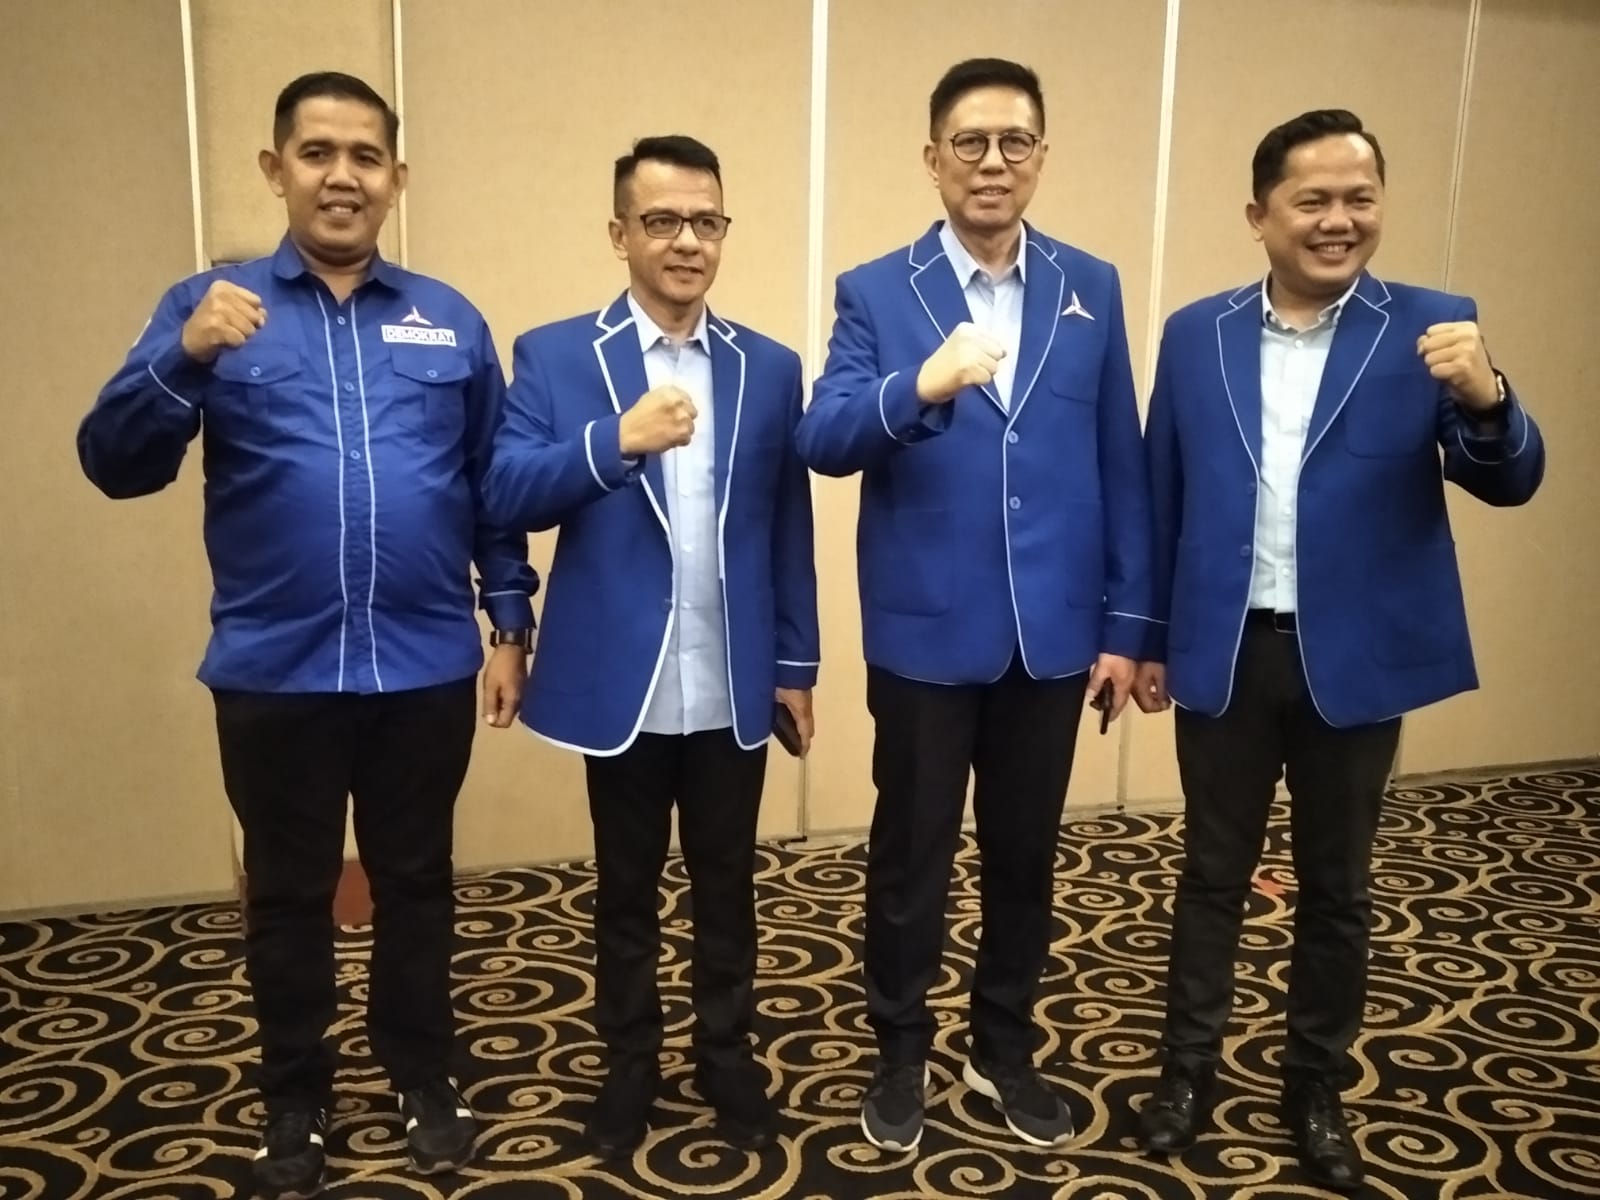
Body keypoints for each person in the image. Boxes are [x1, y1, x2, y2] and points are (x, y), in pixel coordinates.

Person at [77, 71, 538, 1200]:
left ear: (396, 178)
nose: (343, 176)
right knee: (288, 893)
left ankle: (422, 1074)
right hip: (274, 669)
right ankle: (296, 1093)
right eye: (318, 152)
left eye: (365, 156)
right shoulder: (211, 305)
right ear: (275, 168)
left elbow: (491, 488)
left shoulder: (449, 318)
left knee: (417, 881)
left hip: (422, 663)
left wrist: (508, 618)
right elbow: (113, 464)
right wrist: (182, 356)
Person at [1133, 109, 1545, 1192]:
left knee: (1337, 886)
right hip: (1227, 651)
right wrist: (1145, 638)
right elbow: (1160, 493)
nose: (1338, 219)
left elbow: (1509, 478)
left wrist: (1488, 396)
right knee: (1211, 874)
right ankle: (1186, 1073)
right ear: (1259, 214)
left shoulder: (1434, 327)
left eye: (1359, 198)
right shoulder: (1196, 333)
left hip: (1354, 659)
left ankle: (1313, 1086)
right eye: (1311, 200)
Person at [795, 58, 1154, 1153]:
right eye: (969, 142)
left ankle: (1003, 1050)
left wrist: (1127, 628)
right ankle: (900, 1051)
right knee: (910, 860)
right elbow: (823, 436)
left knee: (1024, 857)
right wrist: (919, 385)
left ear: (1040, 155)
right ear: (933, 157)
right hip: (924, 632)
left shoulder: (1091, 286)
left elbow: (1121, 461)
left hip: (1054, 635)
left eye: (1014, 142)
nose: (992, 162)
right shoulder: (876, 289)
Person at [483, 135, 819, 1158]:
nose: (686, 241)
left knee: (728, 884)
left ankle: (726, 1054)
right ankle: (630, 1061)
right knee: (625, 889)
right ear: (619, 232)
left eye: (705, 222)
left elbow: (787, 524)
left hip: (731, 676)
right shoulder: (555, 355)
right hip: (620, 678)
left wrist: (795, 665)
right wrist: (613, 443)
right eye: (663, 221)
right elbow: (503, 491)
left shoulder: (768, 366)